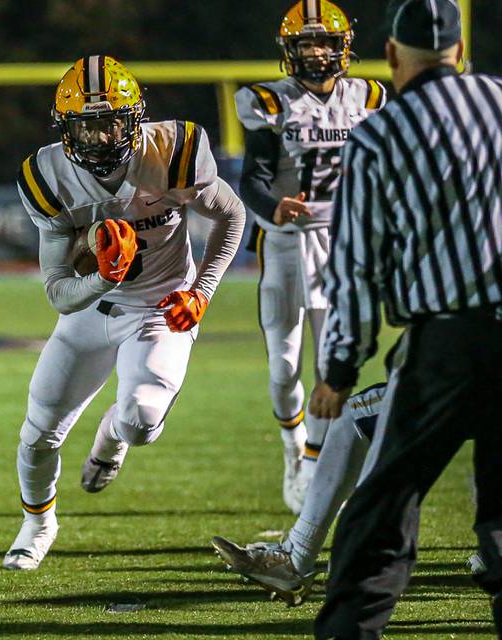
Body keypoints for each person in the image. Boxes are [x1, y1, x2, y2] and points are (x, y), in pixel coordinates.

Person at [4, 55, 245, 570]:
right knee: (39, 429)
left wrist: (201, 291)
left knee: (141, 422)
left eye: (110, 122)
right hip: (91, 311)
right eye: (85, 125)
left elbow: (231, 215)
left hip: (161, 305)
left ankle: (112, 438)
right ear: (65, 128)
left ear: (135, 119)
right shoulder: (47, 176)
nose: (98, 137)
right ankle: (38, 523)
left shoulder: (173, 152)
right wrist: (102, 276)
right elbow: (56, 290)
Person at [308, 1, 502, 635]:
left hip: (447, 343)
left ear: (391, 57)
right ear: (460, 49)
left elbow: (357, 268)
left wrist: (340, 367)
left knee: (381, 513)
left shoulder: (379, 136)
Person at [236, 0, 386, 514]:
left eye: (325, 42)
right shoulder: (269, 102)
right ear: (289, 51)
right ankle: (291, 445)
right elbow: (251, 178)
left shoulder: (367, 97)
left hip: (342, 244)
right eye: (306, 43)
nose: (317, 52)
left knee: (329, 364)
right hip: (284, 242)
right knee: (282, 368)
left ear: (344, 47)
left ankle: (314, 463)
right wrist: (274, 206)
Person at [212, 383, 385, 606]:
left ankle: (298, 558)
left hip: (441, 386)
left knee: (353, 415)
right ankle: (361, 562)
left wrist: (339, 376)